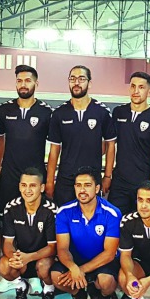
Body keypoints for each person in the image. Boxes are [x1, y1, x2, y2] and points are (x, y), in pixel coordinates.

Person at [52, 167, 122, 299]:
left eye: (87, 185)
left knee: (106, 281)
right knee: (56, 276)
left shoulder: (112, 213)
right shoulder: (64, 211)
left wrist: (81, 270)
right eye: (78, 185)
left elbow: (110, 253)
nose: (82, 190)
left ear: (97, 188)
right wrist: (73, 267)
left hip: (102, 262)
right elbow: (62, 249)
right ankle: (80, 296)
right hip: (76, 260)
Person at [46, 65, 117, 206]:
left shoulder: (102, 112)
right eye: (72, 79)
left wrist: (108, 176)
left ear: (89, 83)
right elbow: (54, 151)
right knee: (64, 221)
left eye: (81, 79)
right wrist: (49, 181)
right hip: (66, 179)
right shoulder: (59, 113)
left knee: (90, 221)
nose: (76, 83)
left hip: (92, 179)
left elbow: (110, 145)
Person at [0, 167, 59, 299]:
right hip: (22, 259)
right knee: (4, 265)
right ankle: (21, 287)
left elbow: (53, 247)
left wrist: (28, 257)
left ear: (42, 188)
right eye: (24, 185)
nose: (28, 190)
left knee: (44, 265)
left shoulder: (51, 210)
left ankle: (48, 291)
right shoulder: (11, 208)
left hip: (43, 259)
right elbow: (7, 242)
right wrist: (15, 257)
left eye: (32, 186)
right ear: (19, 187)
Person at [0, 65, 53, 212]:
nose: (23, 84)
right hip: (10, 174)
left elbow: (54, 147)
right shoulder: (3, 110)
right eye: (19, 81)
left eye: (27, 80)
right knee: (5, 216)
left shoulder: (47, 112)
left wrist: (50, 178)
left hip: (36, 175)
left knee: (34, 218)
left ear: (36, 84)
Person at [109, 72, 150, 215]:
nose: (136, 91)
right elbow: (110, 146)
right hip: (119, 184)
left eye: (141, 87)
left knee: (140, 226)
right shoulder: (118, 112)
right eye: (133, 86)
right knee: (115, 224)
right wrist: (107, 176)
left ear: (149, 91)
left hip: (142, 184)